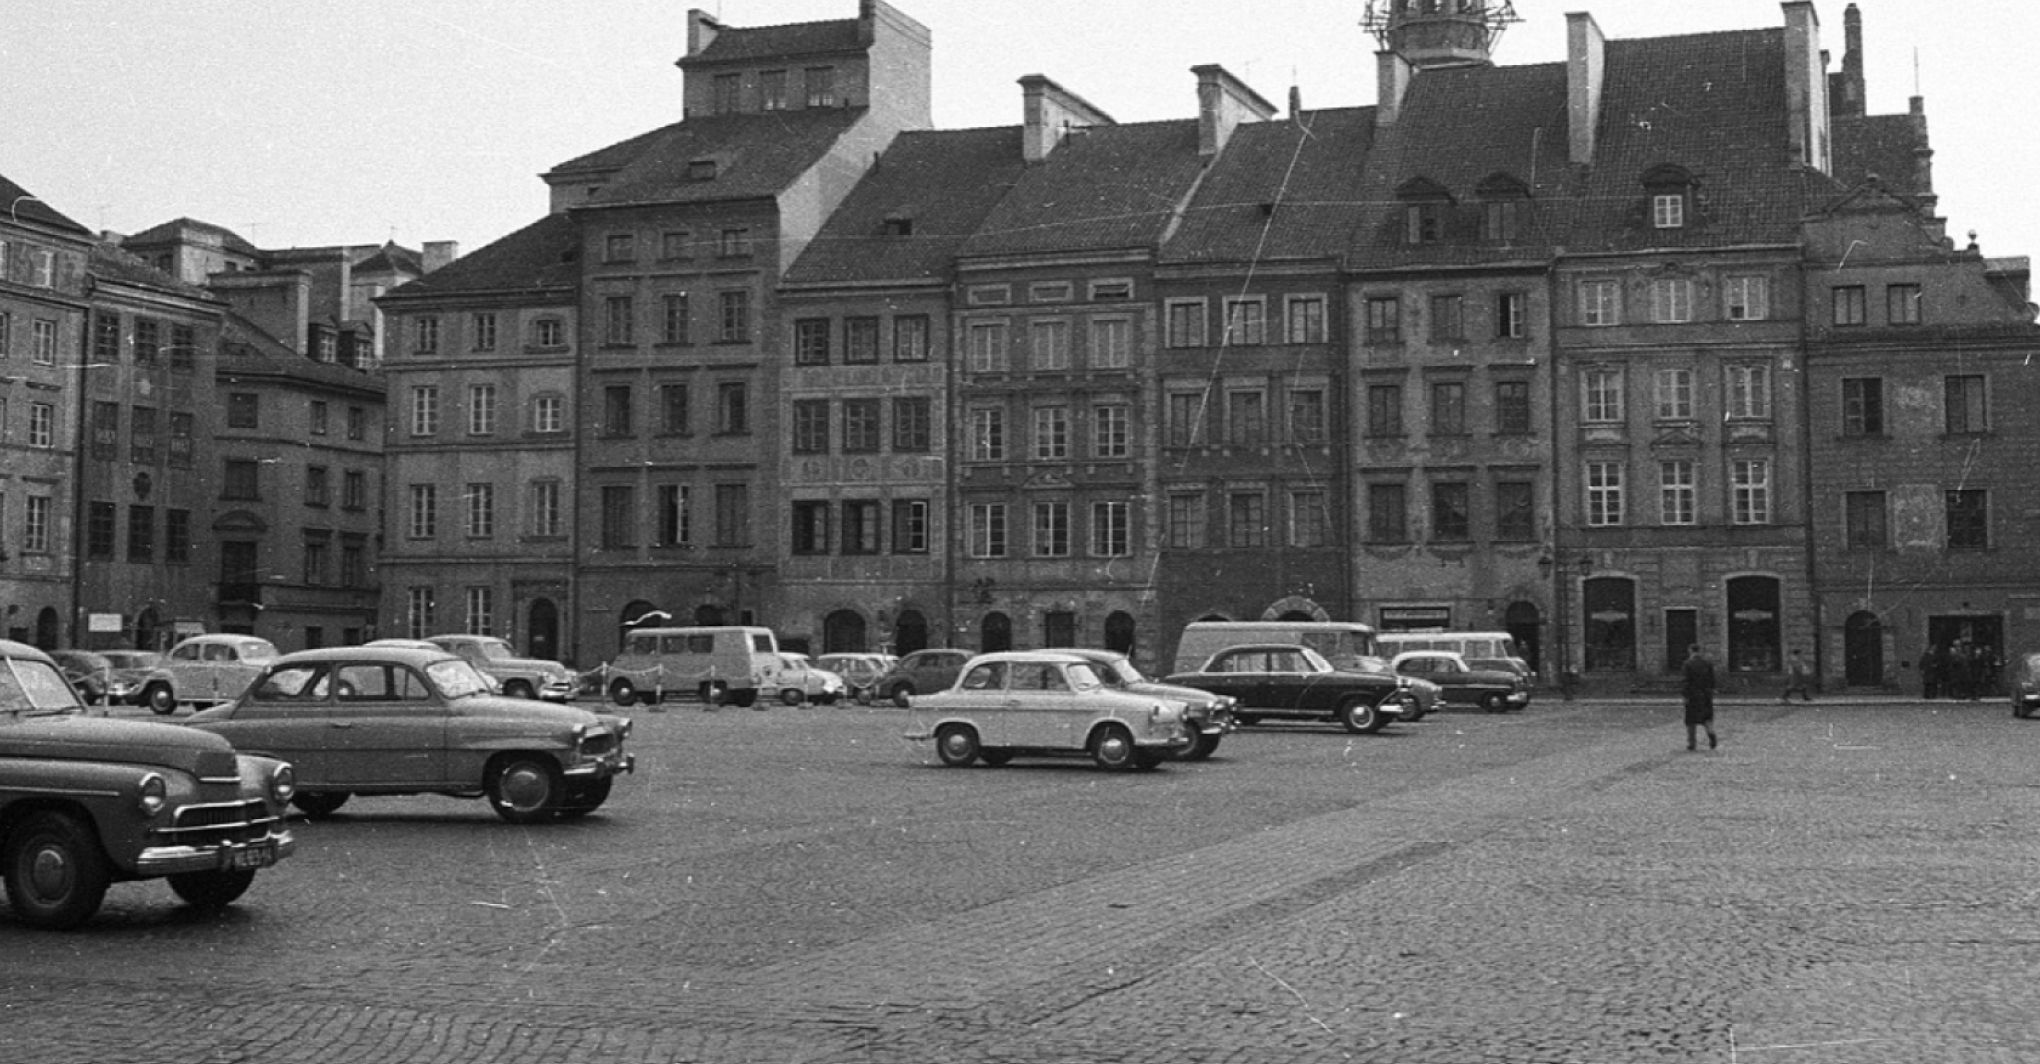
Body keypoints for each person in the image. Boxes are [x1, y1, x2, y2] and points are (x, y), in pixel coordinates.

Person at [1682, 644, 1717, 751]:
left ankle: (1692, 743)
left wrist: (1685, 695)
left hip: (1693, 695)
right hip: (1705, 694)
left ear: (1690, 651)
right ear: (1700, 651)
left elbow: (1686, 681)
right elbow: (1712, 679)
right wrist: (1711, 691)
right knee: (1706, 718)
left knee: (1691, 720)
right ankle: (1711, 734)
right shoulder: (1707, 663)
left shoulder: (1688, 664)